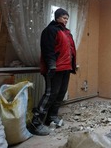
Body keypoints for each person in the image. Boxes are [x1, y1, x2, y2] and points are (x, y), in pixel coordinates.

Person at [29, 8, 77, 136]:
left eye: (67, 18)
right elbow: (47, 50)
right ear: (57, 17)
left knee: (60, 93)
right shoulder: (50, 30)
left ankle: (52, 117)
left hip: (66, 68)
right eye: (64, 18)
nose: (66, 20)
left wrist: (73, 65)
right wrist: (51, 65)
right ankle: (36, 123)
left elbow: (70, 50)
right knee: (50, 94)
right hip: (54, 69)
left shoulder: (67, 32)